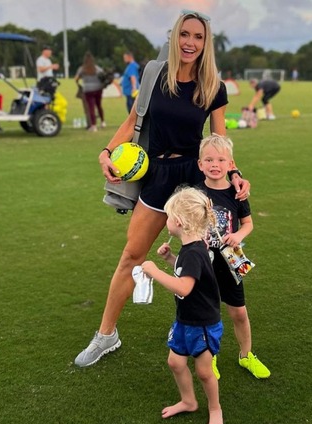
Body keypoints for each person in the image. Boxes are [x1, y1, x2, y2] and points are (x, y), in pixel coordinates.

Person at [74, 9, 251, 368]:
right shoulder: (155, 75)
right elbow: (132, 120)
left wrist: (234, 173)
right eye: (185, 35)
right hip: (157, 173)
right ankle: (106, 335)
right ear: (175, 38)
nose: (190, 43)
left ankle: (205, 339)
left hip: (193, 177)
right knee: (132, 255)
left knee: (207, 258)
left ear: (206, 43)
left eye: (198, 37)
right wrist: (106, 151)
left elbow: (218, 139)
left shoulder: (213, 85)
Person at [141, 186, 224, 424]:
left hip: (202, 324)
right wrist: (170, 260)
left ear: (177, 221)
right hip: (185, 320)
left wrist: (155, 272)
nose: (166, 221)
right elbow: (189, 273)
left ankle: (214, 407)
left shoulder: (195, 252)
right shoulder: (191, 250)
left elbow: (185, 287)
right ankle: (189, 401)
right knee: (176, 363)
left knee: (204, 372)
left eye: (167, 217)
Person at [196, 133, 270, 379]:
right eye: (208, 160)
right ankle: (212, 357)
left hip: (231, 261)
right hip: (204, 264)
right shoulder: (196, 193)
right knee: (210, 312)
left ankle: (246, 355)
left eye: (220, 160)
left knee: (238, 312)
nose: (214, 165)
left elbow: (248, 224)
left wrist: (238, 235)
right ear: (200, 165)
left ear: (231, 165)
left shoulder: (237, 193)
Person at [74, 52, 106, 132]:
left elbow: (76, 78)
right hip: (98, 88)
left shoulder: (82, 69)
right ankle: (102, 122)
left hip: (88, 89)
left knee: (91, 108)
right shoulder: (97, 68)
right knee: (99, 105)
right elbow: (103, 76)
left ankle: (94, 126)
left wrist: (80, 81)